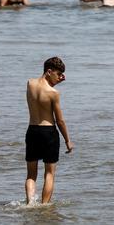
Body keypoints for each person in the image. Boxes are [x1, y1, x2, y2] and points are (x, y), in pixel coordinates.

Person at [25, 57, 73, 205]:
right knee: (50, 174)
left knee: (31, 175)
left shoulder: (30, 83)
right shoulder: (53, 93)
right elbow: (60, 121)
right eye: (58, 74)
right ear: (49, 71)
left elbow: (41, 86)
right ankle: (44, 206)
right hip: (48, 133)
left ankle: (30, 204)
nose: (60, 78)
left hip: (32, 131)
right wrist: (67, 140)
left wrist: (55, 79)